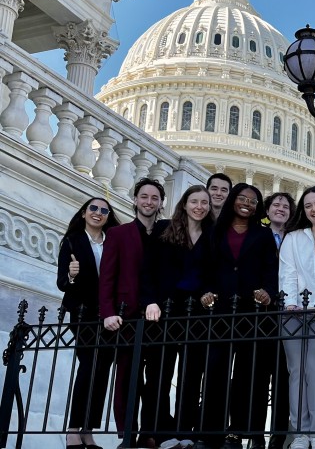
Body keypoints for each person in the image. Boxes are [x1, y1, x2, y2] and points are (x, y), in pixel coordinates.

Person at [191, 183, 278, 449]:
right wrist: (205, 291)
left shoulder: (263, 235)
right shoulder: (214, 232)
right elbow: (202, 267)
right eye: (242, 198)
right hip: (220, 309)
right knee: (215, 372)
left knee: (245, 375)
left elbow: (270, 269)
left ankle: (235, 433)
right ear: (232, 200)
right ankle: (209, 433)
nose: (247, 204)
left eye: (253, 201)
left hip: (251, 311)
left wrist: (268, 292)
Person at [141, 185, 214, 448]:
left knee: (191, 374)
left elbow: (213, 274)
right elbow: (147, 269)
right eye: (194, 201)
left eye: (204, 202)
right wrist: (150, 301)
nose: (199, 207)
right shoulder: (163, 229)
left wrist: (209, 294)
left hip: (196, 312)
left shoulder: (212, 236)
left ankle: (184, 431)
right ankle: (158, 431)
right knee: (159, 373)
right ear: (184, 204)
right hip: (165, 310)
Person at [99, 177, 168, 448]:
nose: (149, 202)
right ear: (135, 199)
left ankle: (150, 434)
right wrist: (107, 311)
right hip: (127, 316)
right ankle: (127, 434)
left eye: (154, 198)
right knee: (128, 379)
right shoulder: (118, 234)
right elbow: (107, 277)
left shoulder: (168, 233)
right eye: (144, 196)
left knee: (158, 377)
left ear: (161, 203)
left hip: (160, 317)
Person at [58, 197, 120, 449]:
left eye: (104, 210)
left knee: (103, 369)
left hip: (109, 315)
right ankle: (73, 428)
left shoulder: (113, 242)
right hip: (83, 315)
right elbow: (62, 282)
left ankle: (88, 430)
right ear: (84, 213)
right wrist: (71, 276)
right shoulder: (72, 241)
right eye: (93, 208)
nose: (98, 213)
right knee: (87, 366)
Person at [279, 187, 315, 449]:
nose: (314, 209)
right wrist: (291, 304)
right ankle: (300, 433)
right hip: (293, 312)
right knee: (296, 372)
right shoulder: (293, 237)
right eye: (308, 205)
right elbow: (287, 273)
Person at [262, 192, 296, 449]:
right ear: (268, 209)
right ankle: (253, 433)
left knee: (284, 376)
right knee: (259, 375)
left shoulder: (296, 238)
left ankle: (279, 432)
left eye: (285, 206)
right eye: (276, 205)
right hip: (262, 313)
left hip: (290, 310)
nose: (281, 209)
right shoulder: (258, 235)